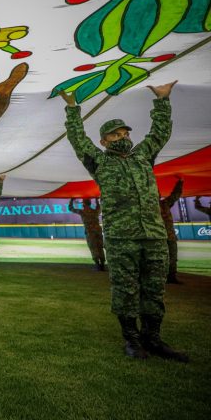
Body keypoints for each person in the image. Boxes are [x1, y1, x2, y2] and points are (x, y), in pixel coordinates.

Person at [59, 81, 187, 362]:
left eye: (124, 132)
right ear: (104, 141)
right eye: (114, 135)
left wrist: (163, 101)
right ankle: (131, 340)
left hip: (154, 236)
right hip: (121, 239)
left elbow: (160, 132)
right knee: (126, 290)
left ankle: (153, 339)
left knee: (154, 290)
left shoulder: (143, 156)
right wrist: (72, 109)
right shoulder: (99, 161)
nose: (121, 137)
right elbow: (78, 140)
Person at [68, 198, 106, 271]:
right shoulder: (95, 211)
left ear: (83, 204)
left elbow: (70, 208)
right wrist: (96, 200)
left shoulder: (82, 212)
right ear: (90, 203)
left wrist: (72, 200)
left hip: (90, 232)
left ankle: (97, 266)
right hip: (98, 231)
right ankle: (103, 266)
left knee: (93, 247)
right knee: (100, 247)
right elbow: (99, 208)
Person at [159, 178, 183, 284]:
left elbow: (175, 195)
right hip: (158, 238)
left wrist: (180, 182)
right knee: (159, 259)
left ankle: (172, 276)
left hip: (169, 236)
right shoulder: (148, 207)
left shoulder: (165, 203)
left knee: (173, 257)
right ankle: (160, 277)